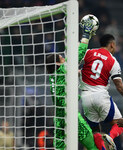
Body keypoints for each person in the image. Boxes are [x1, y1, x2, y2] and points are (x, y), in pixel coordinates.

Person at [46, 17, 99, 150]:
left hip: (58, 119)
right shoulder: (62, 70)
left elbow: (68, 78)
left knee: (60, 147)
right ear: (57, 63)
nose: (63, 58)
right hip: (70, 115)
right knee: (92, 145)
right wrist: (86, 35)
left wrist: (77, 72)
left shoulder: (53, 76)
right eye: (61, 58)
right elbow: (79, 54)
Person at [80, 33, 123, 149]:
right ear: (112, 44)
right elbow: (119, 87)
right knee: (120, 123)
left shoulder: (88, 52)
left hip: (85, 97)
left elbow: (77, 58)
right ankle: (110, 136)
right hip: (100, 95)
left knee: (95, 130)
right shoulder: (113, 61)